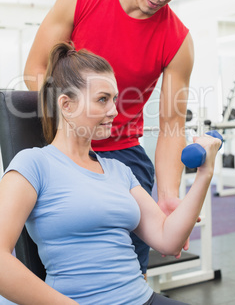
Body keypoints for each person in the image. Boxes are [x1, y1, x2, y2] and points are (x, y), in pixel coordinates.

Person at [23, 0, 205, 274]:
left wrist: (168, 193)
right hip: (61, 145)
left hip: (123, 156)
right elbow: (37, 67)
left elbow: (171, 123)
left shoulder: (178, 40)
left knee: (126, 267)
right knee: (49, 264)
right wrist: (66, 129)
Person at [0, 43, 221, 305]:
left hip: (142, 298)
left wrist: (204, 173)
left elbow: (168, 240)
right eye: (103, 99)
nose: (114, 111)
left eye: (115, 99)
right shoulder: (33, 164)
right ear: (67, 105)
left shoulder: (119, 170)